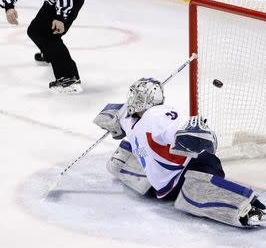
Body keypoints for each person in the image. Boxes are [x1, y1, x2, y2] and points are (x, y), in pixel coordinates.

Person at [93, 77, 266, 228]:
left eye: (134, 94)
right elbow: (117, 113)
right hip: (171, 181)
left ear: (142, 98)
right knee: (124, 157)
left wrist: (191, 131)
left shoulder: (156, 116)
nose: (131, 98)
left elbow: (177, 126)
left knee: (194, 191)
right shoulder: (130, 117)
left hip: (195, 166)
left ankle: (250, 209)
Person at [1, 0, 85, 94]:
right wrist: (9, 6)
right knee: (35, 31)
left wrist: (60, 17)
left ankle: (69, 79)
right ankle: (50, 53)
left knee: (48, 35)